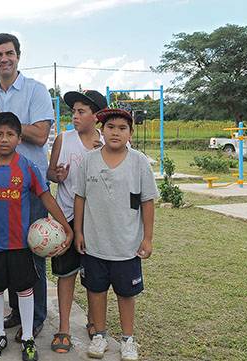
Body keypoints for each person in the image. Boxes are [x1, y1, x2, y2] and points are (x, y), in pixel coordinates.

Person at [0, 33, 54, 342]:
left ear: (18, 56)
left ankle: (37, 316)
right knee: (6, 252)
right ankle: (18, 312)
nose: (3, 59)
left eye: (9, 53)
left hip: (30, 186)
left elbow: (40, 134)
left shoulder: (35, 90)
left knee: (33, 251)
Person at [0, 112, 72, 361]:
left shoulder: (28, 168)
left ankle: (27, 337)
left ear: (18, 138)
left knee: (25, 290)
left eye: (10, 134)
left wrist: (66, 228)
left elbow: (46, 198)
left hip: (21, 244)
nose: (4, 139)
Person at [73, 108, 158, 361]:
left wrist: (148, 238)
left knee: (126, 294)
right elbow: (80, 198)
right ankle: (99, 335)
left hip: (126, 245)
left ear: (130, 133)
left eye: (122, 128)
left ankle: (128, 339)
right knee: (95, 291)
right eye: (111, 127)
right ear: (102, 130)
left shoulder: (139, 162)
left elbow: (148, 201)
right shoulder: (89, 160)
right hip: (95, 243)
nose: (116, 132)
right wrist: (78, 231)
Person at [47, 90, 107, 353]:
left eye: (82, 111)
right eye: (74, 111)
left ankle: (95, 324)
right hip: (66, 218)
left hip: (97, 220)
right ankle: (64, 328)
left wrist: (104, 156)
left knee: (96, 275)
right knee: (66, 274)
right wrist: (57, 175)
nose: (75, 116)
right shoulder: (64, 139)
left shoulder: (110, 142)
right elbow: (50, 173)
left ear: (96, 116)